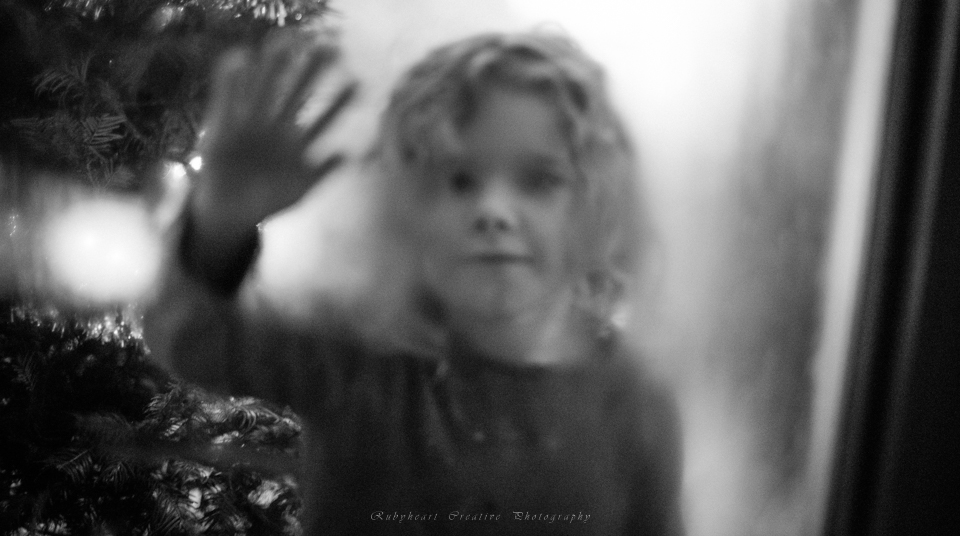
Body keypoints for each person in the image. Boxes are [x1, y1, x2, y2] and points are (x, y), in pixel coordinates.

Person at [144, 30, 685, 535]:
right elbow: (193, 343)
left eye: (539, 180)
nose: (494, 211)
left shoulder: (635, 401)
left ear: (595, 205)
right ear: (406, 208)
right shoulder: (357, 359)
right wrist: (219, 224)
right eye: (459, 179)